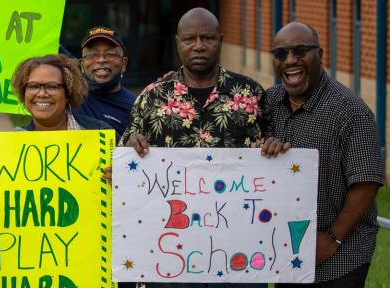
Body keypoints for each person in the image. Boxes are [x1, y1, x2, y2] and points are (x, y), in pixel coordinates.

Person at [119, 8, 286, 288]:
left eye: (207, 38)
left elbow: (274, 150)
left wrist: (276, 147)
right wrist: (129, 150)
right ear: (177, 43)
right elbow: (125, 158)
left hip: (237, 247)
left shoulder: (251, 93)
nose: (198, 45)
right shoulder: (152, 96)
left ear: (220, 41)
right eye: (189, 39)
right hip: (169, 249)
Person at [269, 22, 383, 288]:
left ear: (320, 54)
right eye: (281, 54)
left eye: (300, 51)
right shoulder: (270, 102)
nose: (290, 61)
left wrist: (333, 238)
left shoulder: (351, 112)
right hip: (286, 252)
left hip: (339, 257)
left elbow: (367, 182)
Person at [12, 53, 116, 134]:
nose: (42, 94)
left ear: (68, 93)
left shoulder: (101, 133)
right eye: (33, 86)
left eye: (52, 86)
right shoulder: (11, 143)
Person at [75, 26, 136, 136]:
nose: (101, 60)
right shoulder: (71, 97)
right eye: (92, 54)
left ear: (124, 64)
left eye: (111, 54)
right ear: (82, 65)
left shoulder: (135, 108)